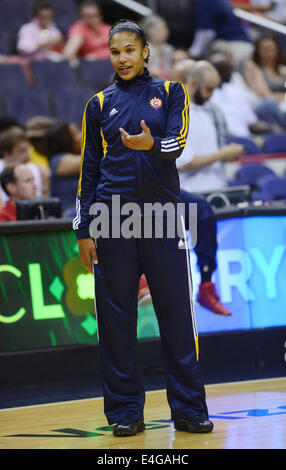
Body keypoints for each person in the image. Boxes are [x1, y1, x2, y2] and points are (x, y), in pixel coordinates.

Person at [73, 19, 213, 437]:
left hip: (164, 218)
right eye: (115, 52)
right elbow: (88, 173)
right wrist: (83, 229)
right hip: (112, 221)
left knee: (176, 317)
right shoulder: (98, 104)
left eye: (130, 50)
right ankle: (125, 413)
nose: (123, 58)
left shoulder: (171, 92)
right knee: (116, 324)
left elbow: (178, 143)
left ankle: (188, 409)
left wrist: (152, 144)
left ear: (145, 51)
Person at [174, 59, 245, 192]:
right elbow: (183, 163)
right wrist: (222, 154)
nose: (211, 95)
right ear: (194, 83)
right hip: (191, 192)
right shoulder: (176, 114)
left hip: (215, 188)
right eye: (209, 89)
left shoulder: (204, 113)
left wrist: (226, 154)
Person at [189, 0, 254, 66]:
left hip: (232, 47)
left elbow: (207, 34)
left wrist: (192, 54)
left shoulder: (205, 2)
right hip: (245, 46)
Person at [47, 121, 81, 216]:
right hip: (67, 217)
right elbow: (87, 161)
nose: (81, 135)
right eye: (75, 134)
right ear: (65, 141)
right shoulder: (58, 160)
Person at [0, 127, 42, 205]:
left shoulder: (33, 168)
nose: (27, 155)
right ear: (6, 153)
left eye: (28, 150)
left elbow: (38, 199)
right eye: (22, 151)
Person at [242, 35, 286, 108]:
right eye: (265, 49)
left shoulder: (281, 69)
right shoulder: (252, 66)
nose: (269, 53)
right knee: (270, 103)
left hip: (282, 104)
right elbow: (264, 94)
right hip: (265, 105)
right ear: (258, 51)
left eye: (272, 49)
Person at [141, 15, 175, 80]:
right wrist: (153, 71)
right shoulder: (145, 49)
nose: (166, 31)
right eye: (162, 28)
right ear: (151, 32)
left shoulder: (168, 49)